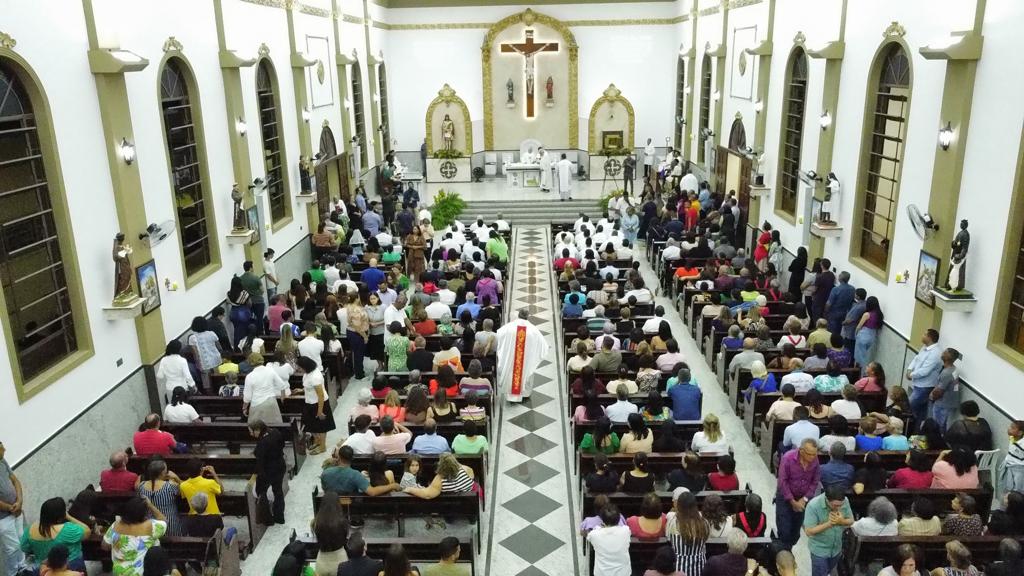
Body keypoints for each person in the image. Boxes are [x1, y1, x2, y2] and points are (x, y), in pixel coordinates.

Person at [100, 496, 166, 576]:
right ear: (143, 513)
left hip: (120, 572)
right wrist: (150, 505)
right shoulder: (151, 526)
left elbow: (104, 546)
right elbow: (163, 520)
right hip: (143, 572)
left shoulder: (116, 525)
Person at [19, 498, 90, 572]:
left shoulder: (30, 529)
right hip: (71, 566)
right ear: (60, 517)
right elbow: (87, 531)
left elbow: (24, 547)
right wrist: (68, 516)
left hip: (44, 569)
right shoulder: (67, 529)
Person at [496, 309, 550, 403]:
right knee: (526, 370)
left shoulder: (509, 327)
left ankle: (511, 395)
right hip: (526, 358)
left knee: (512, 373)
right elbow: (543, 345)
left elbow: (499, 334)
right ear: (527, 316)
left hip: (513, 358)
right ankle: (525, 393)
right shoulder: (533, 329)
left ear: (518, 315)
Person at [776, 439, 820, 550]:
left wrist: (804, 499)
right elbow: (782, 481)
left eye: (815, 454)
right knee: (784, 531)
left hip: (802, 500)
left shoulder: (815, 460)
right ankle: (785, 555)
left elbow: (815, 481)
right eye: (810, 454)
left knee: (795, 533)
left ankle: (788, 548)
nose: (812, 457)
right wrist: (792, 501)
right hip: (786, 498)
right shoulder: (788, 458)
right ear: (801, 450)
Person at [803, 484, 853, 576]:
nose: (838, 508)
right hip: (819, 550)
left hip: (836, 548)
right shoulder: (813, 506)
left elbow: (851, 521)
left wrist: (841, 521)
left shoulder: (844, 501)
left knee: (827, 572)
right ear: (827, 499)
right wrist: (829, 524)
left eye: (840, 505)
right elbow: (808, 531)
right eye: (835, 505)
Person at [250, 419, 288, 524]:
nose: (251, 434)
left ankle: (267, 519)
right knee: (278, 491)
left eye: (251, 431)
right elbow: (282, 445)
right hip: (280, 466)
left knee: (261, 493)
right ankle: (279, 517)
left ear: (257, 430)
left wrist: (257, 475)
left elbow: (260, 460)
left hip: (268, 471)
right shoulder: (275, 432)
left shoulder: (262, 442)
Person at [322, 446, 400, 496]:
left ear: (338, 457)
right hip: (350, 506)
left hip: (330, 504)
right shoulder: (356, 475)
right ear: (352, 459)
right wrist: (392, 485)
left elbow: (324, 489)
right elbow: (372, 492)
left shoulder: (325, 473)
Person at [297, 356, 334, 455]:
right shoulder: (307, 373)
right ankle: (317, 440)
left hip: (319, 403)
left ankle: (322, 446)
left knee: (321, 426)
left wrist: (320, 411)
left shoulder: (315, 377)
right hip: (309, 402)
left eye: (300, 367)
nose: (298, 369)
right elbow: (309, 387)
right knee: (308, 424)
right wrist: (301, 390)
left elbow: (320, 395)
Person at [665, 491, 709, 575]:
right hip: (699, 569)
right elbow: (705, 540)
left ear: (679, 506)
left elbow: (669, 540)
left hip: (678, 569)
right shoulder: (704, 523)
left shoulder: (672, 522)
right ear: (694, 505)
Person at [906, 328, 942, 430]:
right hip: (918, 384)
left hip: (925, 386)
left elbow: (925, 371)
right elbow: (916, 359)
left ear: (929, 338)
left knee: (908, 407)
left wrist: (911, 375)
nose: (922, 336)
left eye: (924, 334)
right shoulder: (925, 347)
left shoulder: (935, 353)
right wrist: (909, 369)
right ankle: (916, 431)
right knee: (921, 412)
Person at [243, 352, 290, 424]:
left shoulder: (250, 376)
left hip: (257, 404)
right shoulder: (270, 371)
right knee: (274, 427)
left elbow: (247, 397)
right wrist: (282, 397)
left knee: (257, 429)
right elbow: (282, 385)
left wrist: (244, 408)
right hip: (271, 403)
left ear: (250, 362)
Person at [403, 453, 475, 499]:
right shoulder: (466, 469)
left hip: (451, 505)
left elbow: (427, 495)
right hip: (468, 501)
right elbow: (472, 477)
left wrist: (410, 489)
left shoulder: (440, 479)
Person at [311, 491, 349, 576]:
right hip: (340, 560)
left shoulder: (315, 522)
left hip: (322, 561)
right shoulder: (343, 522)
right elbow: (345, 538)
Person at [587, 505, 631, 576]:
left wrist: (600, 528)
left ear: (602, 519)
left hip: (602, 573)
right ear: (618, 518)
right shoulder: (625, 531)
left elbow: (588, 536)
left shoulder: (595, 534)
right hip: (623, 573)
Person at [930, 348, 962, 430]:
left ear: (948, 358)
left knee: (937, 427)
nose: (942, 353)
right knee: (943, 425)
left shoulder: (946, 373)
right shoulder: (954, 369)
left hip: (942, 403)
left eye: (944, 352)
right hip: (950, 402)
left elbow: (939, 391)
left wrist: (932, 397)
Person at [1000, 420, 1024, 499]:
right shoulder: (1012, 437)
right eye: (1010, 426)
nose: (1009, 429)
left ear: (1020, 433)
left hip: (1019, 470)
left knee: (1017, 492)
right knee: (1005, 489)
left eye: (1013, 428)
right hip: (1008, 466)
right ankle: (1004, 509)